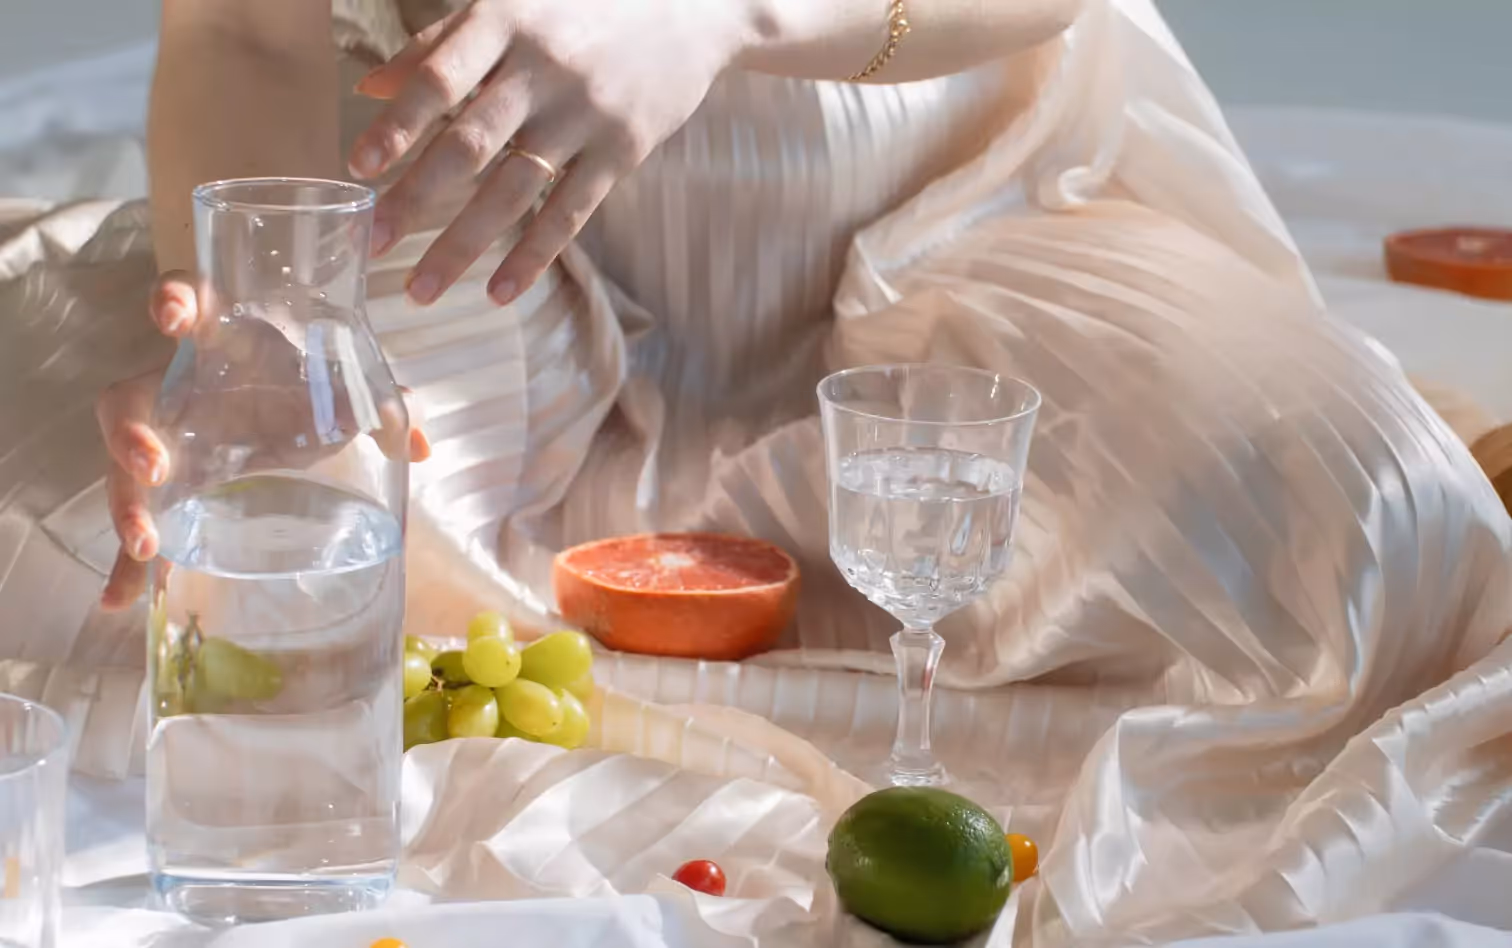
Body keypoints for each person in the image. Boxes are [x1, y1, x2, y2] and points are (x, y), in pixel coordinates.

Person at [2, 0, 1509, 944]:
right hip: (464, 237)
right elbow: (243, 30)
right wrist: (271, 324)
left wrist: (710, 22)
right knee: (156, 553)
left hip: (944, 216)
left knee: (1383, 536)